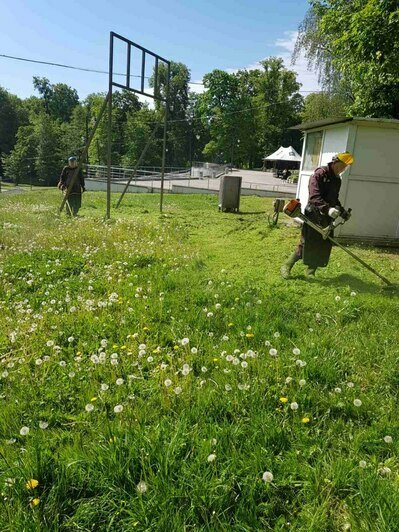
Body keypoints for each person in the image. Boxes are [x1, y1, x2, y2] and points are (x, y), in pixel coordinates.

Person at [280, 152, 354, 279]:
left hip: (327, 216)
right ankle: (286, 265)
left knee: (323, 244)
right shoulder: (319, 174)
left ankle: (310, 272)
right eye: (342, 166)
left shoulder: (337, 180)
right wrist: (327, 209)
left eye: (345, 167)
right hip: (313, 213)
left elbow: (334, 199)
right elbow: (314, 196)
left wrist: (342, 211)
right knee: (307, 242)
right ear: (335, 162)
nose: (343, 169)